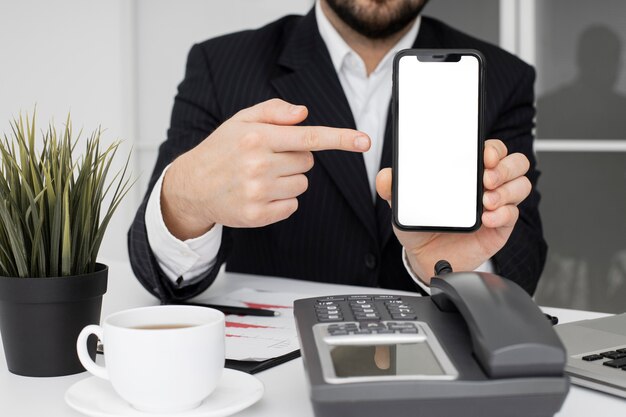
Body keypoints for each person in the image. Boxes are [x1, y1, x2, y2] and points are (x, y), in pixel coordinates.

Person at [128, 0, 546, 302]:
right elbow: (162, 277)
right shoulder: (221, 65)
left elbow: (522, 263)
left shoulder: (503, 76)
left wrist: (448, 273)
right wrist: (186, 198)